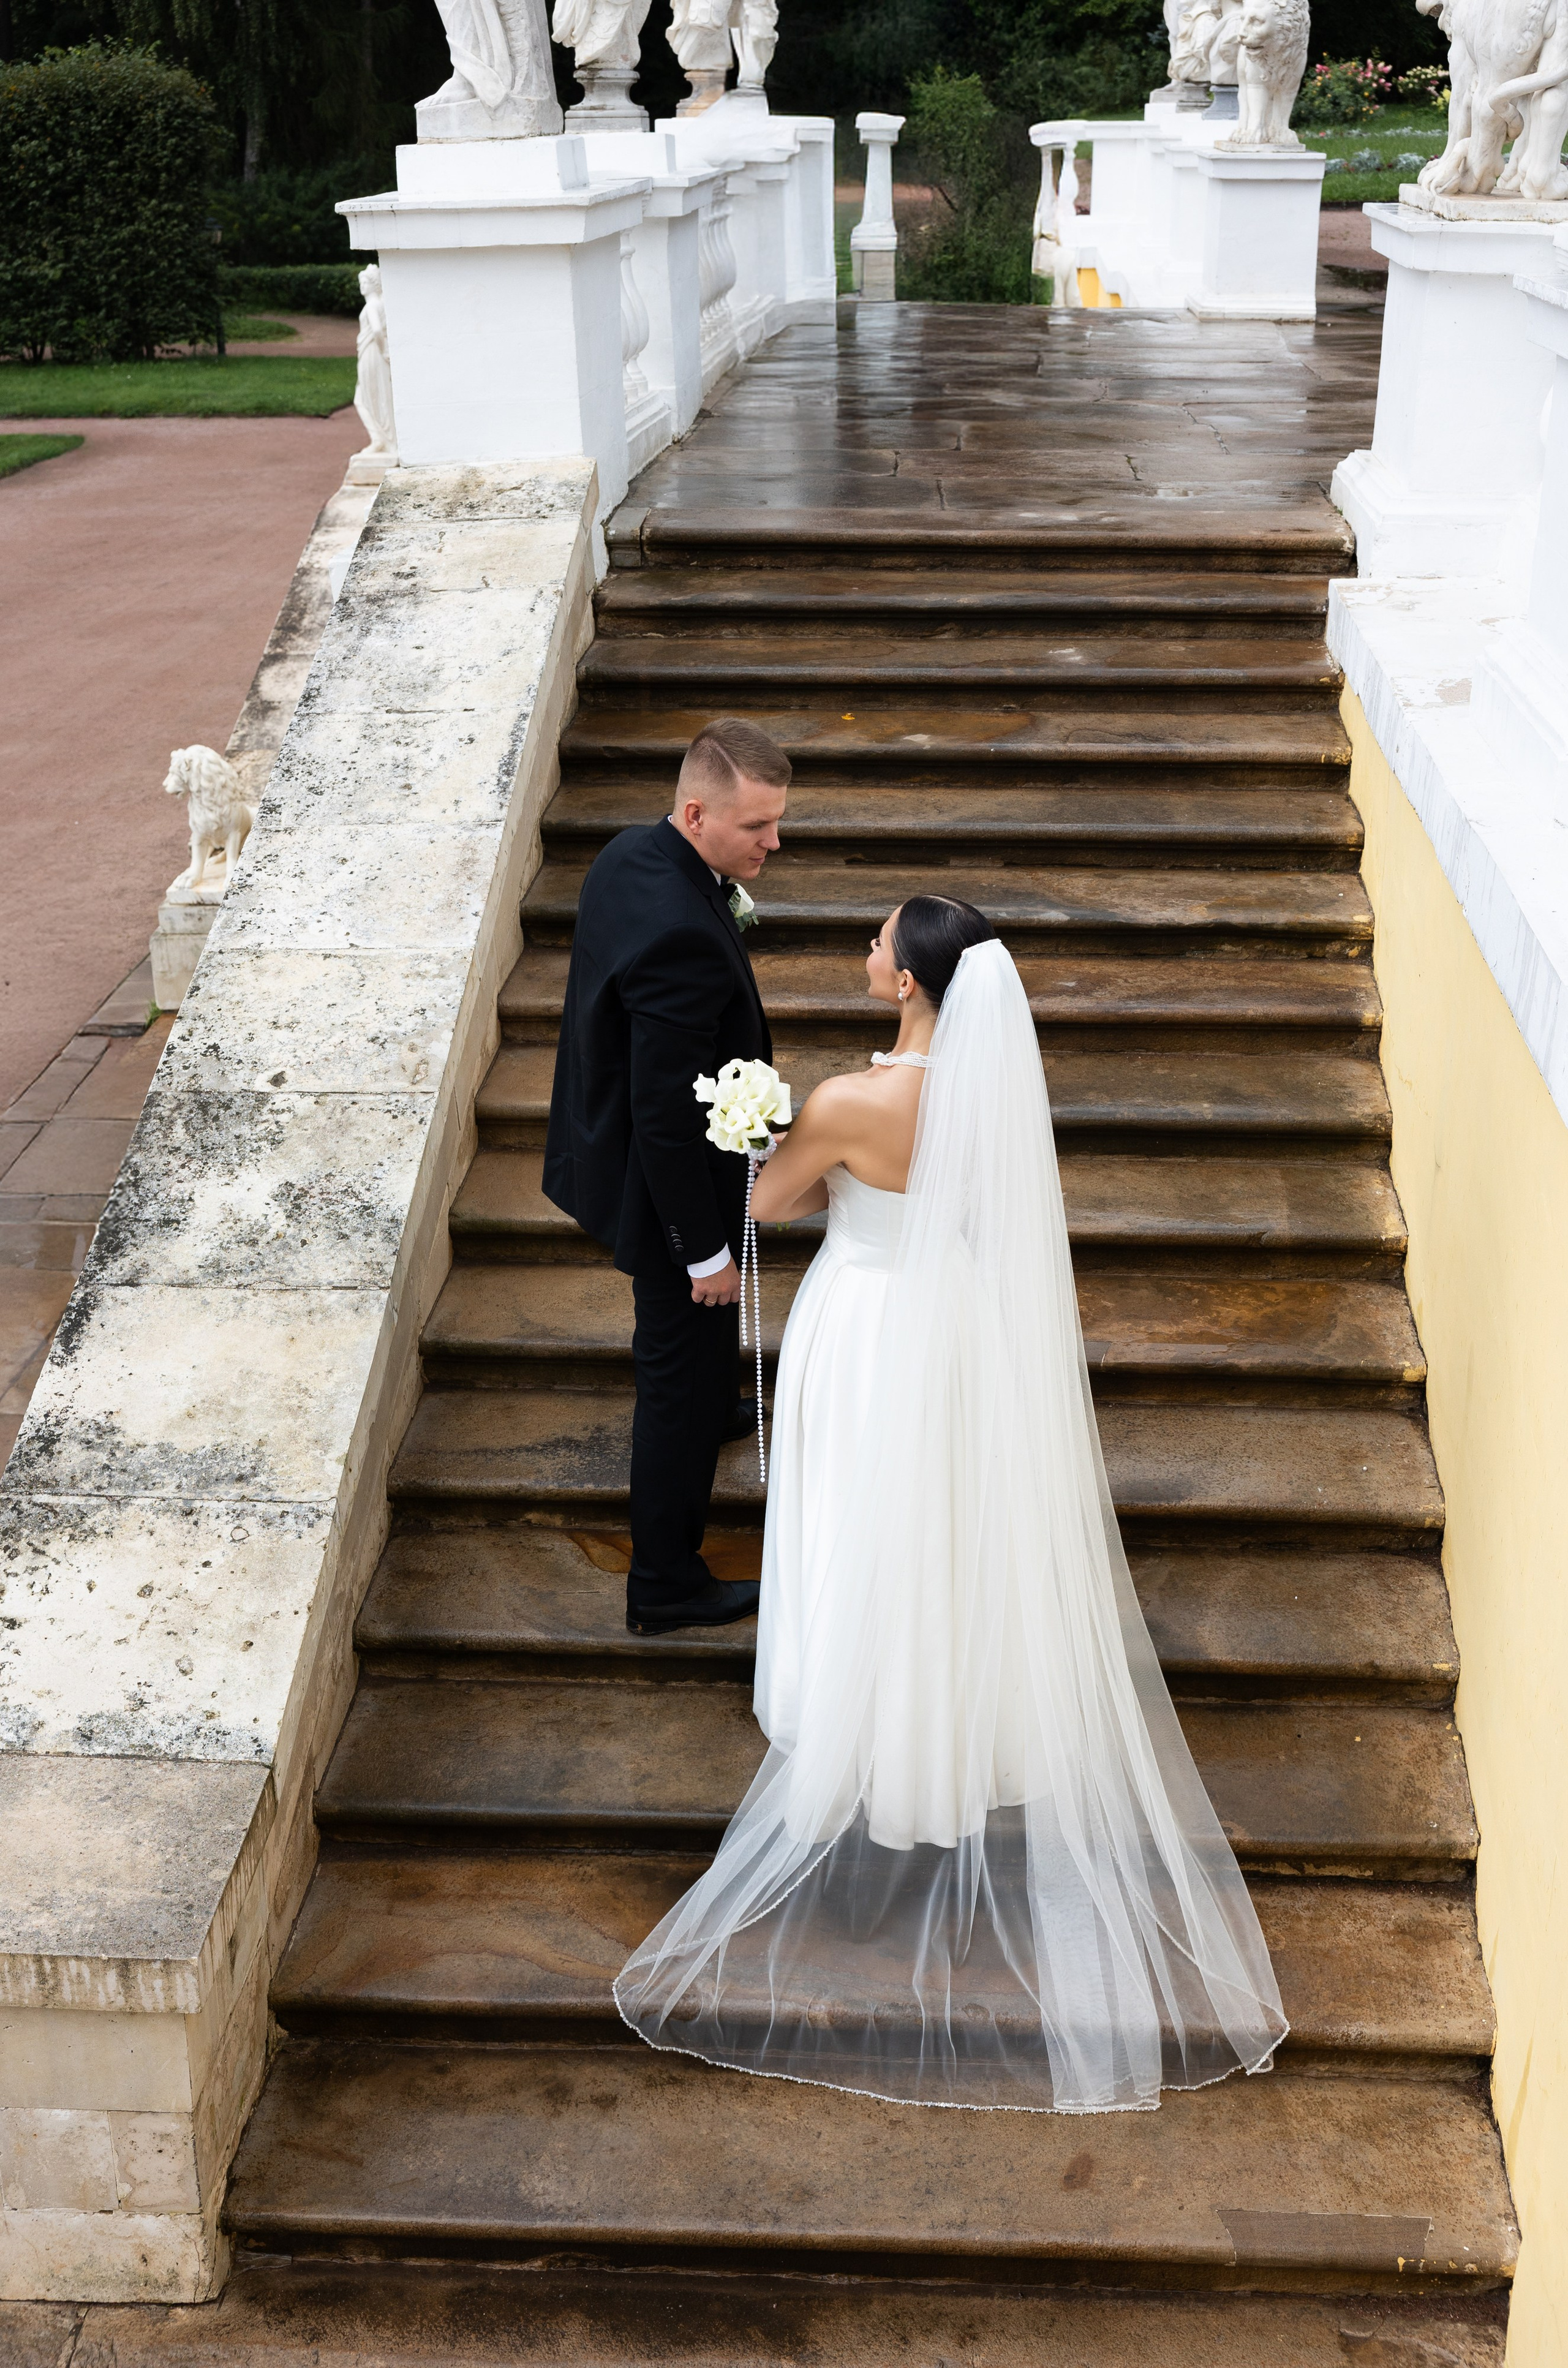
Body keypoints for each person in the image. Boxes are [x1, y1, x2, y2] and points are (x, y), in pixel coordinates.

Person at [615, 896, 1288, 2113]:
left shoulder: (841, 1102)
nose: (864, 955)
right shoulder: (990, 1102)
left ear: (909, 985)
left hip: (869, 1327)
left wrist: (750, 1138)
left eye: (877, 945)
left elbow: (766, 1209)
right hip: (961, 1333)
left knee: (863, 1530)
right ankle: (948, 1743)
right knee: (942, 1540)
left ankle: (861, 1744)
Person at [543, 716, 790, 1635]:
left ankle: (717, 1397)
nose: (775, 842)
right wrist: (705, 1255)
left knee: (696, 1379)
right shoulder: (683, 929)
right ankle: (666, 1583)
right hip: (667, 1194)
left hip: (606, 1151)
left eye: (776, 821)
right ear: (696, 812)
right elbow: (664, 1115)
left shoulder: (628, 857)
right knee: (675, 1385)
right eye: (757, 827)